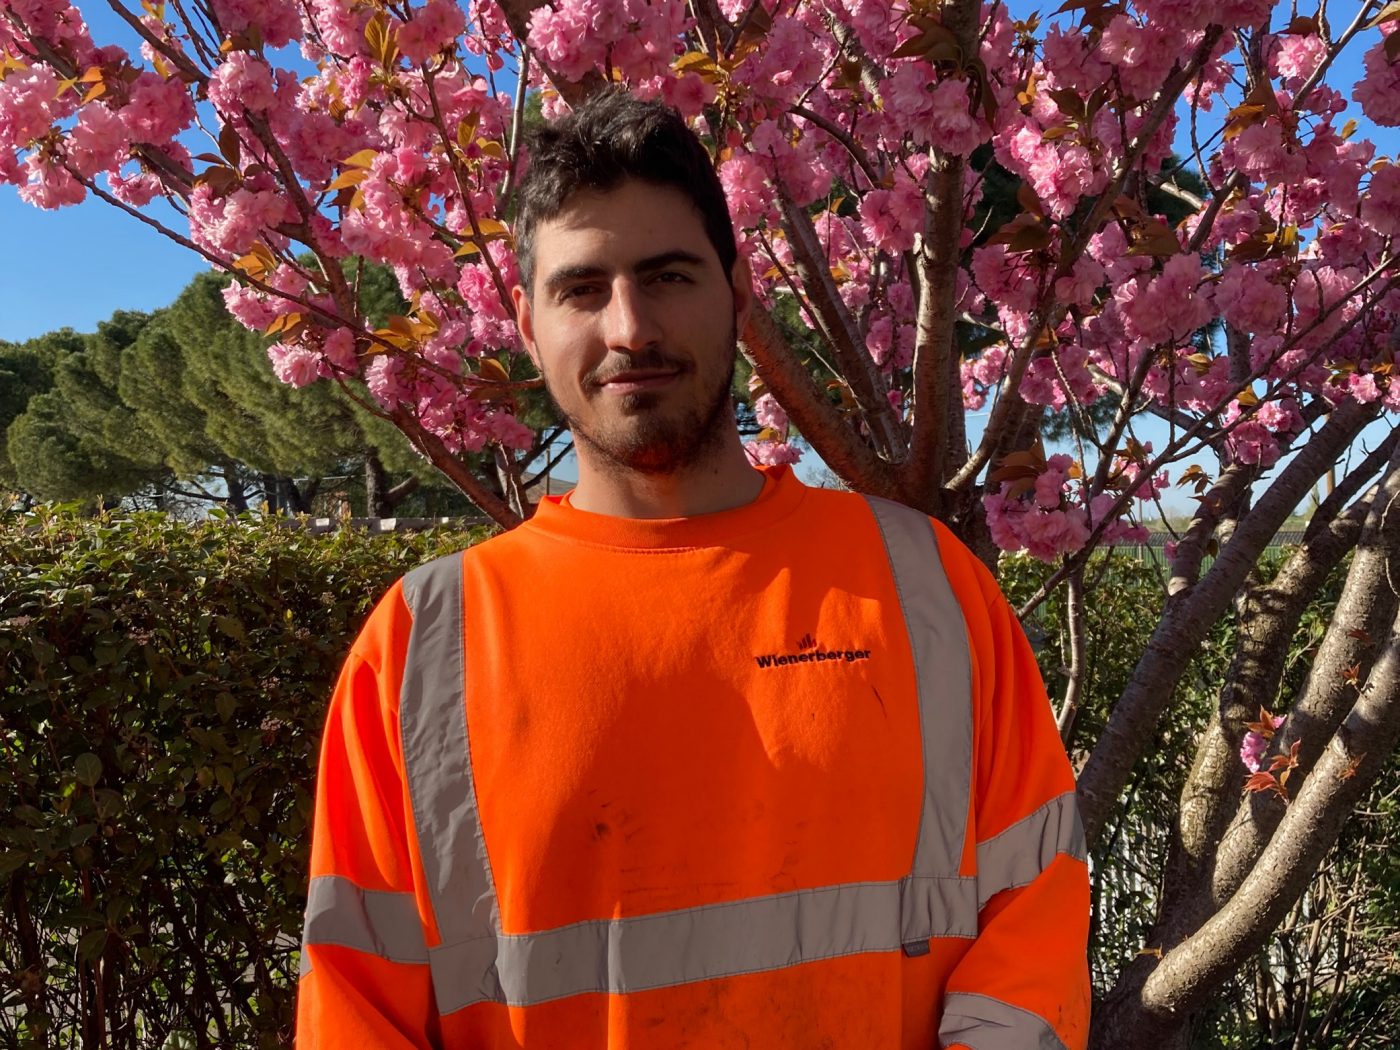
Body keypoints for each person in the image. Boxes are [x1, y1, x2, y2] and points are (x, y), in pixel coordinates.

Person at [296, 87, 1090, 1049]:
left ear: (737, 289)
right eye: (581, 288)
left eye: (668, 276)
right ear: (525, 318)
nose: (629, 328)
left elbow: (1032, 920)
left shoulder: (924, 583)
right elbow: (357, 1007)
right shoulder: (422, 647)